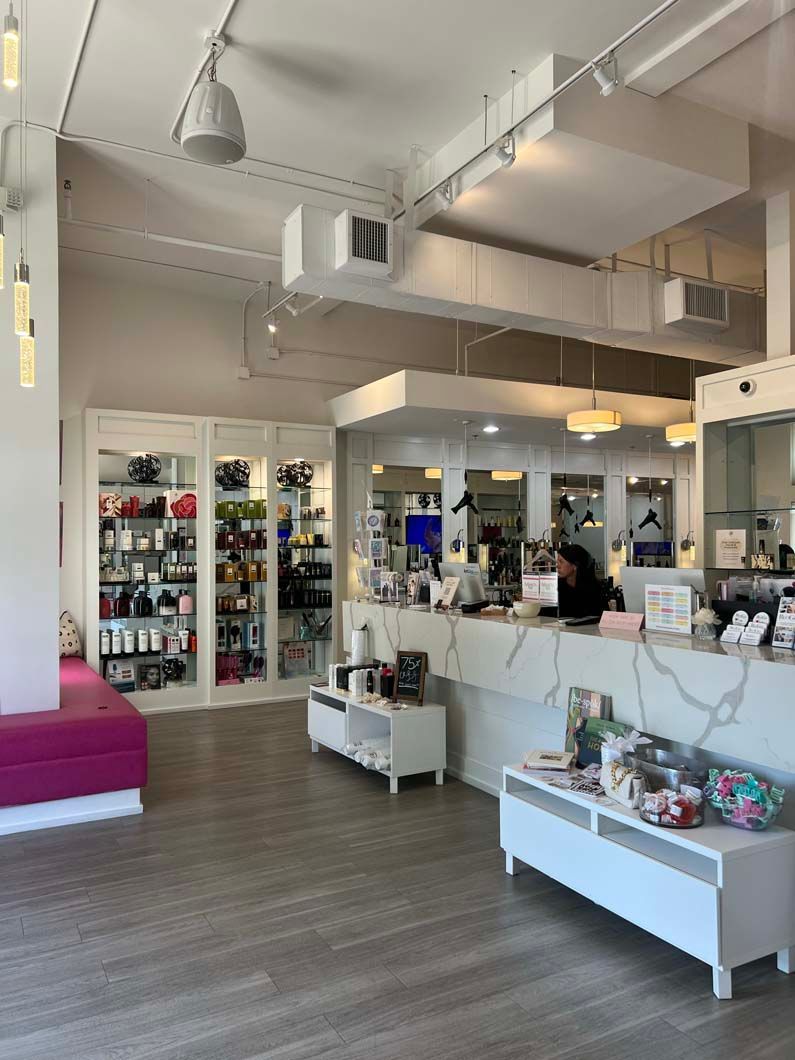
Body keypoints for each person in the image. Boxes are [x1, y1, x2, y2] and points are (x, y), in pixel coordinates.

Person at [556, 543, 605, 619]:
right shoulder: (557, 586)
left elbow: (597, 617)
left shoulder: (593, 589)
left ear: (575, 566)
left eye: (561, 562)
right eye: (557, 562)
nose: (557, 566)